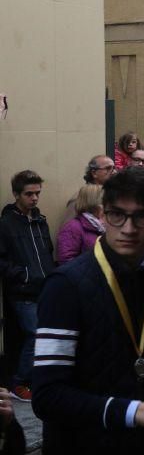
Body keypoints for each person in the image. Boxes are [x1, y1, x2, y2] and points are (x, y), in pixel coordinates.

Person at [31, 167, 144, 454]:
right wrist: (132, 412)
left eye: (141, 216)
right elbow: (47, 396)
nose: (128, 228)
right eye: (118, 214)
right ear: (103, 216)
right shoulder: (65, 285)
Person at [0, 170, 55, 402]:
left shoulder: (40, 221)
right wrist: (23, 276)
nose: (34, 198)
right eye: (29, 194)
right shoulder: (7, 224)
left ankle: (34, 380)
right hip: (22, 292)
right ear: (16, 194)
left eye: (37, 193)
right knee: (35, 334)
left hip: (42, 288)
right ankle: (20, 382)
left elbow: (48, 253)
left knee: (44, 334)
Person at [56, 184, 105, 264]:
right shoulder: (72, 227)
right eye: (104, 201)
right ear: (94, 202)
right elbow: (66, 260)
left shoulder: (102, 225)